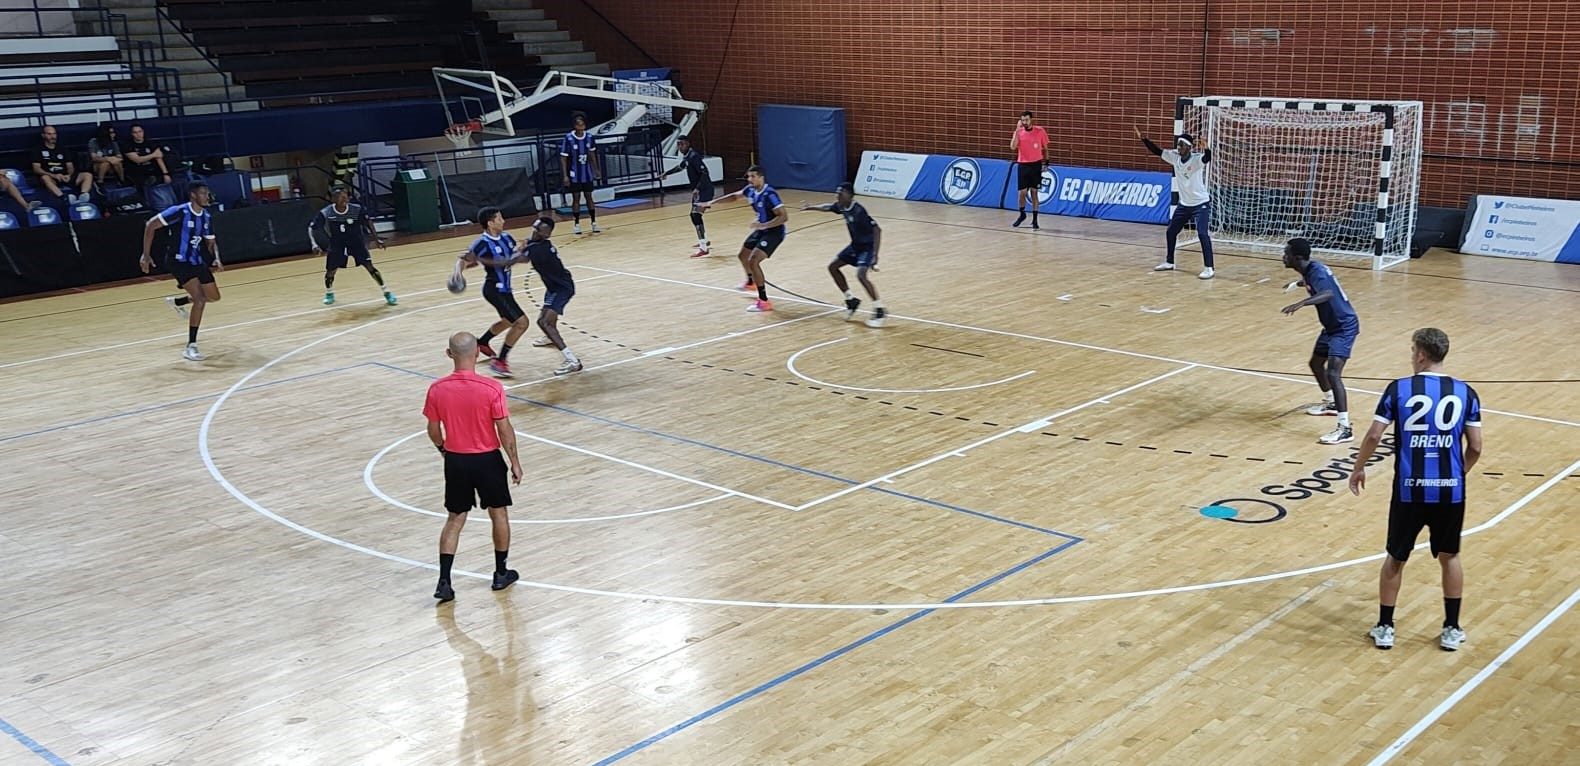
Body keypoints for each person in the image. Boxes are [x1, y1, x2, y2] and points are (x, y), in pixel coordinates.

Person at [1349, 328, 1482, 652]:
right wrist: (1457, 474)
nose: (1411, 356)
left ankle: (1385, 627)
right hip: (1450, 492)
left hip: (1409, 490)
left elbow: (1373, 436)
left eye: (1412, 351)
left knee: (1396, 558)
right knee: (1450, 556)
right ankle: (1451, 628)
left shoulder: (1399, 389)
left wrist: (1358, 467)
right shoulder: (1466, 393)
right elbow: (1476, 446)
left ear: (1421, 354)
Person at [424, 331, 524, 603]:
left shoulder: (437, 389)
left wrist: (444, 450)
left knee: (455, 519)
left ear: (449, 354)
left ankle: (444, 581)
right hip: (487, 460)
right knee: (498, 513)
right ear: (477, 353)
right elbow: (504, 429)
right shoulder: (492, 389)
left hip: (456, 460)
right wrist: (514, 461)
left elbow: (433, 430)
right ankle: (500, 573)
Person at [1281, 237, 1360, 444]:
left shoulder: (1316, 272)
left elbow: (1327, 293)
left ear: (1297, 258)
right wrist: (1297, 284)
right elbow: (1315, 282)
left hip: (1344, 327)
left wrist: (1301, 303)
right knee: (1315, 364)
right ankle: (1331, 403)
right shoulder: (1311, 270)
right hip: (1331, 327)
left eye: (1286, 254)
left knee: (1333, 373)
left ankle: (1345, 428)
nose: (1283, 257)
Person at [140, 182, 222, 361]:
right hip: (178, 261)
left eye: (207, 193)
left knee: (214, 297)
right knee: (200, 299)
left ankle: (179, 301)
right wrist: (146, 255)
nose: (207, 197)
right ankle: (191, 346)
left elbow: (210, 242)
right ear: (193, 195)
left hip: (196, 261)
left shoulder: (206, 216)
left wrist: (216, 257)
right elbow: (150, 225)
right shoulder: (179, 211)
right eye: (203, 193)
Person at [697, 165, 787, 313]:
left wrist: (764, 225)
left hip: (774, 231)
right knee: (743, 256)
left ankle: (764, 301)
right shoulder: (750, 190)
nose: (749, 179)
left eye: (753, 176)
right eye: (748, 177)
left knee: (753, 261)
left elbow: (783, 216)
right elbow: (734, 196)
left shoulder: (770, 193)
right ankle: (751, 282)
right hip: (761, 228)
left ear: (761, 177)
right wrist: (710, 203)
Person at [456, 207, 531, 378]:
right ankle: (500, 361)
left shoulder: (507, 238)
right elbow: (466, 259)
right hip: (494, 290)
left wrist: (523, 251)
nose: (503, 221)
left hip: (505, 289)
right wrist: (457, 273)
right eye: (499, 218)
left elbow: (520, 259)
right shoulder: (481, 243)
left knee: (507, 320)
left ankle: (482, 342)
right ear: (490, 223)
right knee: (521, 323)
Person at [1135, 126, 1215, 279]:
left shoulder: (1196, 159)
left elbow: (1207, 158)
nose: (1179, 148)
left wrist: (1207, 148)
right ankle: (1170, 261)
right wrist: (1144, 139)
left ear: (1189, 148)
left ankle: (1209, 268)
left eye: (1182, 145)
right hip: (1184, 205)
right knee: (1171, 231)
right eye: (1178, 145)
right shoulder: (1174, 157)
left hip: (1200, 204)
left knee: (1202, 234)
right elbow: (1157, 151)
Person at [801, 182, 886, 327]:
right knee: (833, 267)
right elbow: (828, 207)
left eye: (840, 193)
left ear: (849, 196)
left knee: (861, 275)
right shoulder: (842, 206)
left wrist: (875, 255)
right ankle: (851, 300)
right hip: (855, 246)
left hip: (867, 247)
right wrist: (811, 207)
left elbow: (877, 230)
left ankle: (879, 309)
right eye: (837, 193)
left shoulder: (859, 211)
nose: (837, 196)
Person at [516, 217, 583, 375]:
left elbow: (519, 259)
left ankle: (573, 361)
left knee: (546, 323)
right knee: (542, 322)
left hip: (562, 289)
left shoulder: (540, 249)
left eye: (538, 231)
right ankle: (551, 337)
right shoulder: (536, 244)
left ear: (546, 234)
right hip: (554, 287)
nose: (534, 232)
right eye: (534, 228)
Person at [309, 185, 394, 306]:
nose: (344, 199)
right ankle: (329, 293)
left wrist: (377, 239)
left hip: (356, 243)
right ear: (333, 199)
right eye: (340, 197)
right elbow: (311, 228)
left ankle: (386, 292)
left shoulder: (356, 209)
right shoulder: (326, 212)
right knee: (331, 271)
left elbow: (368, 222)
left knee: (370, 266)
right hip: (337, 244)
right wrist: (314, 243)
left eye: (345, 197)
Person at [661, 134, 713, 256]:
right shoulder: (687, 157)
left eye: (682, 144)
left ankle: (704, 248)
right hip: (699, 191)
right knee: (694, 216)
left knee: (695, 215)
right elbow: (680, 167)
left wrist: (698, 188)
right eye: (678, 144)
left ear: (688, 144)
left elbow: (705, 173)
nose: (680, 146)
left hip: (704, 190)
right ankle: (704, 241)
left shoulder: (694, 156)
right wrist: (667, 173)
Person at [559, 114, 601, 235]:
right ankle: (576, 224)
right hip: (574, 174)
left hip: (587, 173)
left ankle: (593, 222)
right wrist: (565, 175)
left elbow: (592, 154)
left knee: (589, 197)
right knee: (576, 198)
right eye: (578, 124)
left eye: (582, 124)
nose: (581, 127)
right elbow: (563, 157)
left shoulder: (589, 137)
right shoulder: (568, 138)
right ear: (575, 126)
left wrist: (596, 169)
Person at [32, 124, 94, 204]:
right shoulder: (37, 150)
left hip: (65, 177)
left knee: (87, 175)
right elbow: (36, 169)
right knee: (45, 178)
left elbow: (70, 166)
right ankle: (64, 198)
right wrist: (53, 175)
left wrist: (69, 175)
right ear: (43, 135)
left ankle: (83, 196)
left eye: (54, 134)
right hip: (52, 177)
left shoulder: (62, 148)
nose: (53, 136)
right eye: (49, 134)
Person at [1010, 111, 1049, 230]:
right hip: (1023, 165)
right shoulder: (1019, 133)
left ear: (1031, 120)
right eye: (1023, 120)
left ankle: (1035, 219)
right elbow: (1012, 147)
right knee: (1022, 193)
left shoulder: (1040, 131)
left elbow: (1046, 148)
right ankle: (1022, 214)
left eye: (1026, 120)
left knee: (1034, 192)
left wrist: (1046, 162)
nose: (1025, 122)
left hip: (1036, 164)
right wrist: (1016, 131)